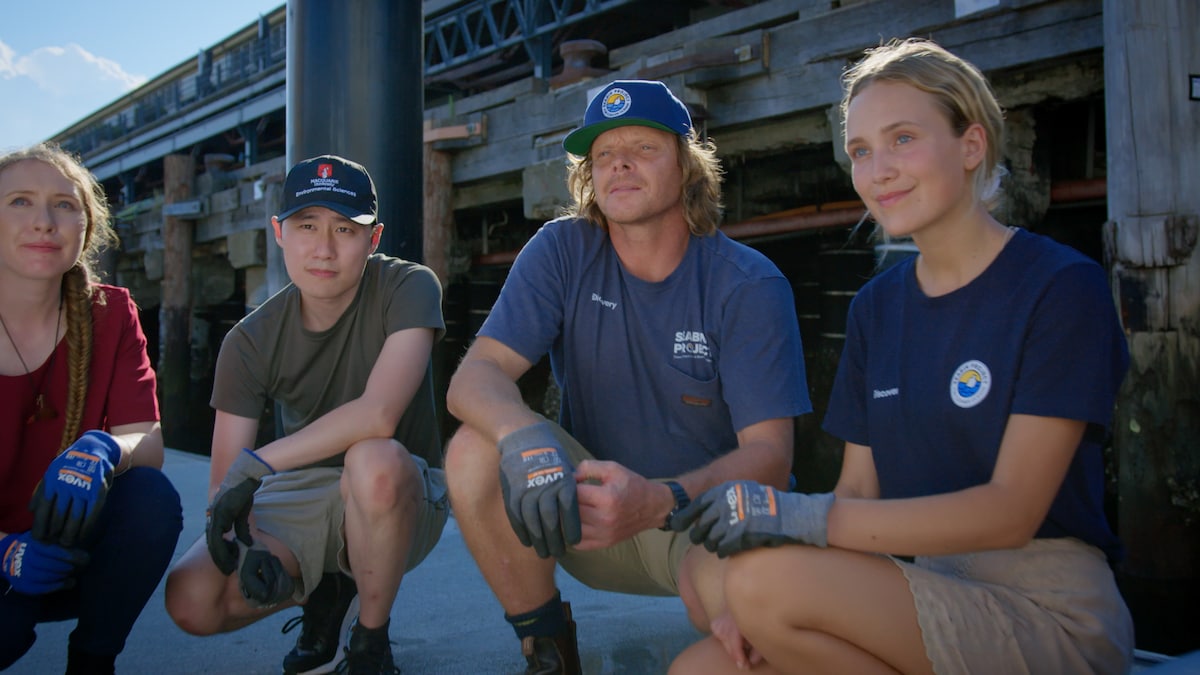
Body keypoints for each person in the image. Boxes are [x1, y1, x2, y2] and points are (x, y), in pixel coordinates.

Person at [669, 38, 1134, 675]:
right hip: (929, 591)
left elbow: (1012, 510)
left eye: (903, 138)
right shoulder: (875, 308)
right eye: (860, 151)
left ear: (971, 146)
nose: (877, 169)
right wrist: (758, 586)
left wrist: (787, 525)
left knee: (761, 584)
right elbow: (860, 492)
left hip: (1048, 611)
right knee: (703, 665)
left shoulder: (1059, 288)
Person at [444, 79, 811, 674]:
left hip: (706, 523)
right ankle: (546, 645)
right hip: (592, 519)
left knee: (749, 645)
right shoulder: (563, 248)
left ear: (687, 167)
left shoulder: (748, 283)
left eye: (642, 148)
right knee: (474, 450)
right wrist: (524, 436)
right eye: (604, 153)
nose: (619, 164)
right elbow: (473, 379)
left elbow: (769, 457)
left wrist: (658, 500)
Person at [163, 155, 449, 675]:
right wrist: (242, 544)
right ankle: (325, 594)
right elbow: (227, 484)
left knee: (373, 459)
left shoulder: (409, 287)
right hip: (305, 489)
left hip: (402, 487)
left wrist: (259, 464)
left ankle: (369, 643)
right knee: (191, 600)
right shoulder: (248, 341)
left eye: (345, 228)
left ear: (375, 237)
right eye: (306, 226)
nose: (323, 248)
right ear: (278, 232)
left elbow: (378, 415)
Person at [0, 143, 183, 674]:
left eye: (64, 204)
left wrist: (104, 447)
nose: (44, 221)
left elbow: (146, 442)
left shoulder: (110, 313)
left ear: (86, 226)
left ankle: (93, 660)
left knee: (149, 498)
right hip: (8, 560)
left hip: (65, 548)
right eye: (19, 202)